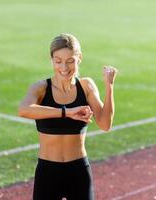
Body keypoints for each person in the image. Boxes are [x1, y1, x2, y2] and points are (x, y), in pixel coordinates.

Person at [18, 33, 118, 200]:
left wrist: (109, 86)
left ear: (79, 58)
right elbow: (23, 109)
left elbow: (105, 124)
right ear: (51, 60)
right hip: (48, 172)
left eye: (70, 61)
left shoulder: (86, 86)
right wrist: (67, 112)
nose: (64, 67)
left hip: (78, 171)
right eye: (58, 61)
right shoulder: (41, 88)